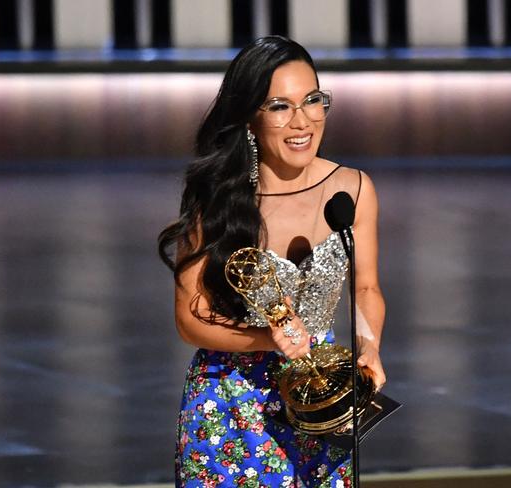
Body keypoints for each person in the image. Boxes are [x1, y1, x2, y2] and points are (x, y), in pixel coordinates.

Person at [158, 36, 386, 488]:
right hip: (230, 406)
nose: (301, 121)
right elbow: (189, 320)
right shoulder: (219, 198)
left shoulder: (353, 188)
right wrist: (267, 339)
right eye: (280, 106)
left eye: (313, 102)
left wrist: (368, 345)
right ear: (250, 118)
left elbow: (365, 288)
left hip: (320, 400)